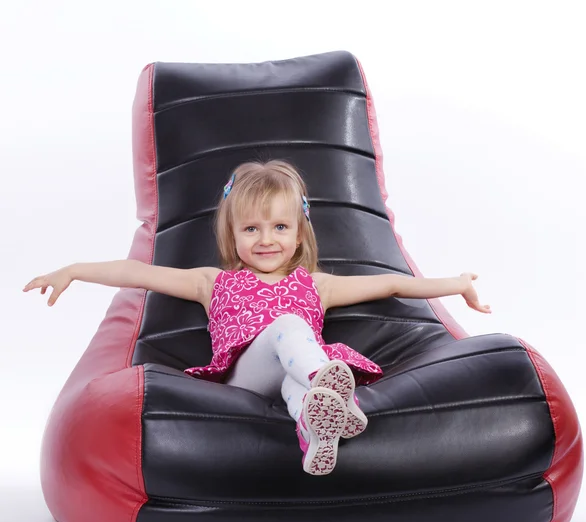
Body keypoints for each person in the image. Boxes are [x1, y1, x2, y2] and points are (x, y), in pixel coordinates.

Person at [23, 159, 491, 476]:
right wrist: (74, 271)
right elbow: (137, 271)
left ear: (300, 230)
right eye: (251, 228)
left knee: (298, 389)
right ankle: (327, 388)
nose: (266, 240)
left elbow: (393, 283)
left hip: (298, 375)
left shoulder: (316, 284)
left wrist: (456, 284)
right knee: (290, 327)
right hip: (244, 376)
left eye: (280, 227)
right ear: (232, 232)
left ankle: (315, 431)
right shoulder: (213, 282)